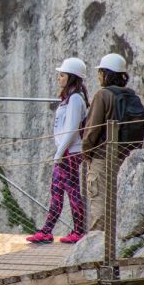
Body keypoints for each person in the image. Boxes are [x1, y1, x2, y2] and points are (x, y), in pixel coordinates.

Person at [27, 58, 89, 244]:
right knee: (57, 191)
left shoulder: (76, 99)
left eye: (62, 75)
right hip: (65, 152)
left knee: (71, 191)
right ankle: (47, 230)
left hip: (69, 153)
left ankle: (78, 230)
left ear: (71, 78)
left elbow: (71, 129)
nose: (59, 78)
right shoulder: (71, 98)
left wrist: (59, 153)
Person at [81, 53, 129, 233]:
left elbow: (92, 129)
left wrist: (87, 153)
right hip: (125, 157)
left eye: (100, 72)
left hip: (102, 157)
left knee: (99, 204)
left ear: (107, 74)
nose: (99, 76)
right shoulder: (130, 95)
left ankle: (98, 252)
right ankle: (114, 246)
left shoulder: (103, 95)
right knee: (117, 203)